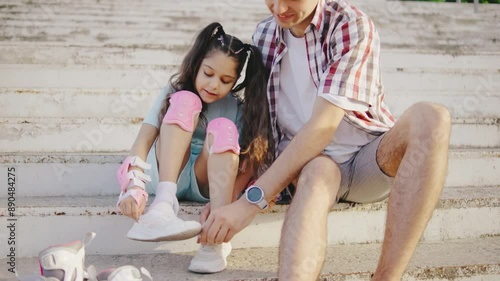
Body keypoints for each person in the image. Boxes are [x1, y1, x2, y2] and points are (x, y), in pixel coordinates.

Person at [199, 0, 452, 280]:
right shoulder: (265, 35)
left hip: (367, 158)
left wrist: (250, 202)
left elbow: (322, 127)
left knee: (432, 117)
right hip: (308, 165)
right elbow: (260, 126)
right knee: (318, 171)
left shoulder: (349, 25)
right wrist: (234, 189)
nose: (280, 8)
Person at [115, 22, 273, 274]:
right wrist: (134, 185)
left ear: (235, 82)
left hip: (205, 182)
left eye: (225, 80)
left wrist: (231, 201)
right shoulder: (174, 90)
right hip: (167, 173)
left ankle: (215, 238)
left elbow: (245, 162)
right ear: (197, 64)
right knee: (185, 101)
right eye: (208, 73)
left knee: (223, 128)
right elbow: (143, 140)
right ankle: (163, 206)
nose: (213, 85)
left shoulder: (238, 108)